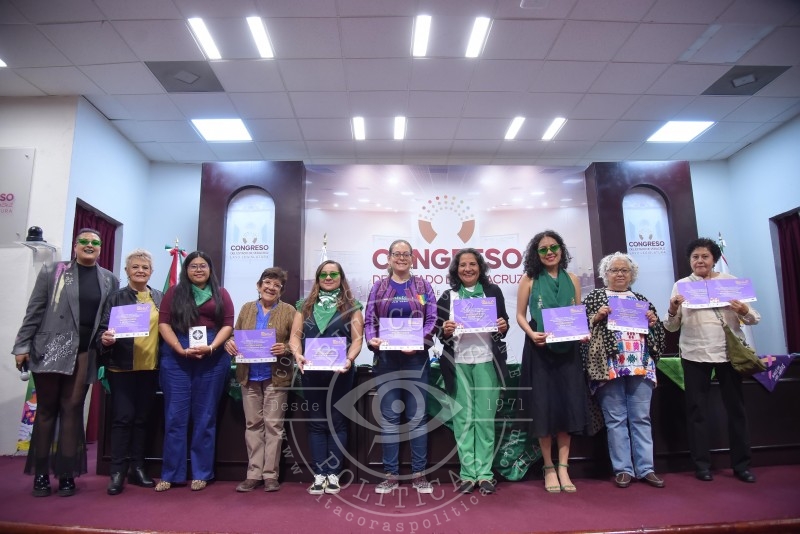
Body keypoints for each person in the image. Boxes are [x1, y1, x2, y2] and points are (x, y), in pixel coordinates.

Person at [13, 228, 119, 497]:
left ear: (100, 248)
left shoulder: (109, 279)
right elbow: (34, 310)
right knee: (46, 410)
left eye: (95, 242)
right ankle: (41, 474)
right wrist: (22, 346)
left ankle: (66, 473)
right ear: (75, 246)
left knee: (72, 410)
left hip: (85, 352)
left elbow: (108, 318)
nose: (89, 245)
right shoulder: (53, 271)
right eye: (84, 241)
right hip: (50, 348)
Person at [664, 238, 760, 483]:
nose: (700, 261)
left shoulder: (729, 282)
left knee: (736, 410)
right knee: (696, 411)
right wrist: (673, 309)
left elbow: (754, 319)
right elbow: (671, 327)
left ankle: (742, 465)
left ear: (714, 259)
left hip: (728, 354)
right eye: (695, 257)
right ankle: (702, 465)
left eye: (704, 256)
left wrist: (743, 311)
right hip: (694, 354)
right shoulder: (682, 285)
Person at [581, 252, 666, 489]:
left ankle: (646, 468)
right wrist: (595, 317)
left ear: (632, 275)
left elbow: (659, 335)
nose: (619, 274)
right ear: (605, 274)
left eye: (624, 270)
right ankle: (623, 470)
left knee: (641, 418)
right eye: (614, 270)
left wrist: (653, 322)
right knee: (615, 419)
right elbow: (579, 330)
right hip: (609, 366)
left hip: (641, 366)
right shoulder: (595, 297)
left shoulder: (641, 299)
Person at [155, 251, 234, 492]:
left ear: (210, 269)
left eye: (203, 266)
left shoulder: (221, 293)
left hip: (212, 356)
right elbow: (163, 323)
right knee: (175, 416)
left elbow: (228, 324)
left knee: (205, 416)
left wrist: (211, 347)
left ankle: (202, 472)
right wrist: (178, 348)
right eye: (193, 266)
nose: (198, 270)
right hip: (177, 354)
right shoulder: (174, 292)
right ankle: (171, 473)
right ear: (186, 270)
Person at [516, 230, 587, 493]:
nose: (549, 253)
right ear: (536, 254)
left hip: (569, 352)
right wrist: (531, 333)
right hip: (540, 350)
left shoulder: (573, 279)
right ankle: (548, 467)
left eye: (553, 247)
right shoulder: (529, 279)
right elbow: (520, 315)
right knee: (543, 407)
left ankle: (564, 467)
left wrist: (583, 332)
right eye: (543, 249)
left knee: (568, 405)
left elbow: (577, 312)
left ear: (561, 249)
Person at [365, 239, 437, 494]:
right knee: (389, 418)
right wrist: (371, 340)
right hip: (386, 361)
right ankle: (390, 475)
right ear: (389, 258)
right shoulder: (379, 287)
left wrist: (418, 342)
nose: (401, 258)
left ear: (412, 258)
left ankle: (419, 475)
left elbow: (432, 319)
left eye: (406, 254)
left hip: (417, 360)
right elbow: (369, 321)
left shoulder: (423, 286)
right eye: (397, 254)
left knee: (417, 418)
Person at [436, 248, 509, 495]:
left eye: (473, 264)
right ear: (456, 270)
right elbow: (439, 332)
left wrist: (503, 325)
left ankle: (485, 474)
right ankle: (468, 474)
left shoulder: (493, 291)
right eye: (463, 265)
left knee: (485, 420)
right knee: (463, 421)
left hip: (488, 361)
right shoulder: (448, 296)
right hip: (457, 363)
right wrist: (445, 330)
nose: (468, 269)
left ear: (480, 267)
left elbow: (504, 324)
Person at [290, 261, 364, 495]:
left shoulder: (352, 306)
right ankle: (319, 474)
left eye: (333, 274)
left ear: (341, 277)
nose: (328, 278)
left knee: (337, 422)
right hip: (311, 373)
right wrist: (297, 354)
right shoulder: (304, 306)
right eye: (324, 274)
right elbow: (294, 337)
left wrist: (349, 359)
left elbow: (357, 340)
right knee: (316, 422)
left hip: (340, 373)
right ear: (318, 278)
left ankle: (333, 474)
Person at [97, 249, 163, 495]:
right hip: (122, 367)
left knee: (142, 420)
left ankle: (138, 468)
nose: (140, 271)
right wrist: (105, 338)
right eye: (135, 267)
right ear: (127, 271)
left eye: (145, 267)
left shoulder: (159, 297)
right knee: (122, 419)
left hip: (150, 368)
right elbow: (102, 329)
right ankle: (117, 471)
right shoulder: (116, 297)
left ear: (151, 272)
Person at [224, 267, 295, 493]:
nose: (271, 287)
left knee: (274, 426)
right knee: (253, 425)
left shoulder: (289, 311)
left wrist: (285, 348)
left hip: (276, 377)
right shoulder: (246, 308)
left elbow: (296, 342)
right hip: (249, 376)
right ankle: (253, 474)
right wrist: (229, 343)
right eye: (267, 282)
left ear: (281, 290)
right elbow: (235, 335)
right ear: (259, 285)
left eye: (277, 285)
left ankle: (271, 475)